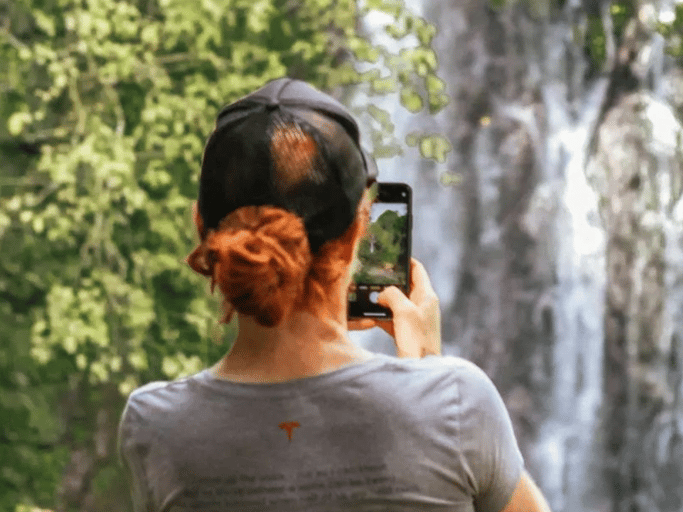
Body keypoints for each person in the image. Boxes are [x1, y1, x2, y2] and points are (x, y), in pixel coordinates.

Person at [118, 78, 551, 512]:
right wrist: (427, 371)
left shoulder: (155, 426)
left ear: (202, 228)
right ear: (358, 232)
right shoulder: (457, 402)